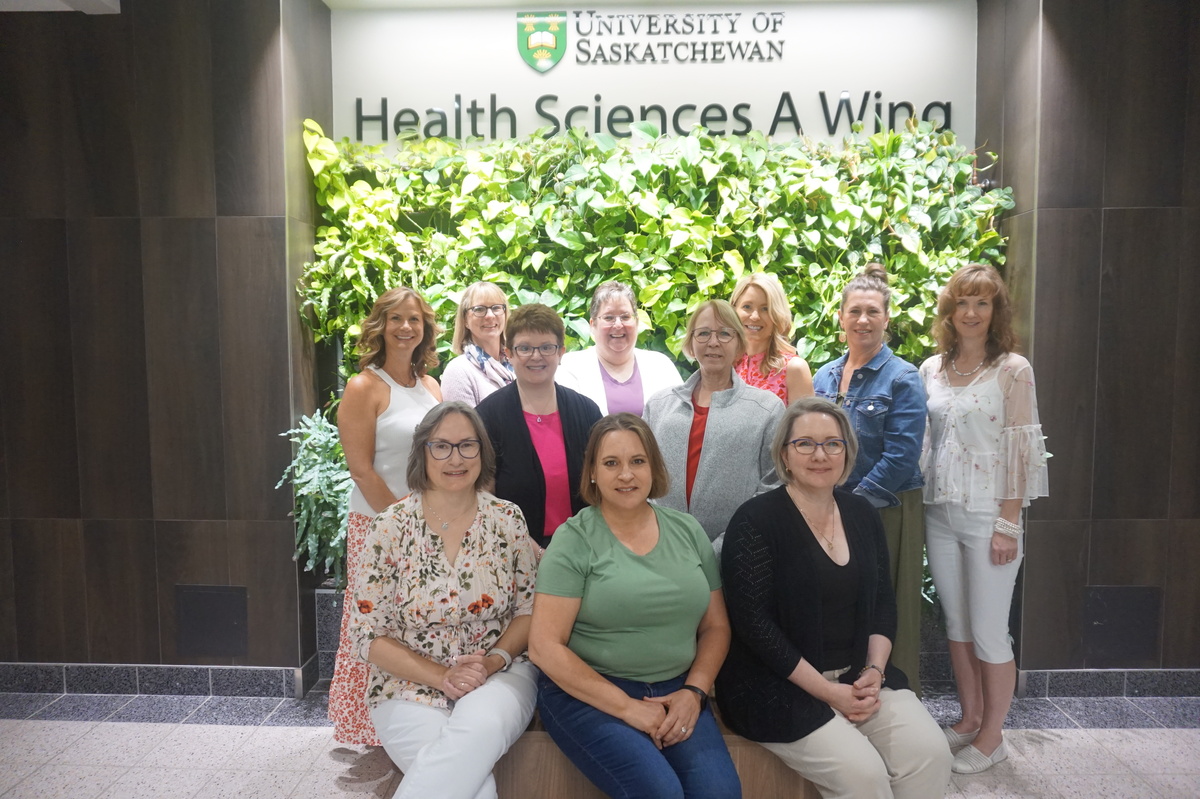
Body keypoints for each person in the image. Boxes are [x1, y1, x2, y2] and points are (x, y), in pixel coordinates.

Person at [717, 397, 952, 799]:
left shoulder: (862, 513)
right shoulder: (754, 520)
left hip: (860, 676)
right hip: (777, 687)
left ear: (847, 452)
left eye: (833, 444)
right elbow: (755, 627)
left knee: (932, 754)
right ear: (784, 455)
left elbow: (882, 604)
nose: (820, 454)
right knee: (863, 778)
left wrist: (875, 674)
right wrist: (828, 693)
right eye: (805, 443)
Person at [529, 413, 742, 799]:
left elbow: (716, 627)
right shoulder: (573, 539)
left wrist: (694, 692)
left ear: (653, 467)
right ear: (592, 472)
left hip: (678, 690)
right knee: (659, 793)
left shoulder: (688, 531)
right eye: (611, 463)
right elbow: (545, 647)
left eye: (637, 461)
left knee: (720, 794)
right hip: (588, 694)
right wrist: (629, 709)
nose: (625, 474)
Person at [345, 402, 540, 799]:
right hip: (406, 686)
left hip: (499, 674)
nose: (456, 458)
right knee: (476, 791)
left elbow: (530, 610)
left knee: (476, 736)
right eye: (442, 446)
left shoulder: (507, 520)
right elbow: (366, 635)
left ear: (482, 452)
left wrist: (490, 661)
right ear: (422, 452)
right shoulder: (390, 527)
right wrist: (442, 677)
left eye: (468, 445)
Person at [920, 264, 1049, 774]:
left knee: (991, 631)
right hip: (940, 512)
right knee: (957, 624)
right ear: (949, 310)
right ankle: (970, 717)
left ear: (996, 311)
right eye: (962, 302)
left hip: (989, 517)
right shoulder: (932, 367)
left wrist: (1008, 523)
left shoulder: (1013, 369)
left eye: (982, 303)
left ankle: (994, 737)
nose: (971, 313)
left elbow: (1021, 450)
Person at [329, 286, 442, 745]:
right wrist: (403, 526)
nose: (405, 327)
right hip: (378, 528)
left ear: (425, 328)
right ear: (380, 325)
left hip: (430, 525)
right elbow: (361, 469)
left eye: (414, 319)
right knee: (375, 625)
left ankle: (413, 717)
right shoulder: (364, 387)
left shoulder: (432, 386)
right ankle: (366, 725)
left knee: (417, 621)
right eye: (395, 318)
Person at [811, 264, 926, 697]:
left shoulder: (902, 377)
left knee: (887, 602)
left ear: (886, 318)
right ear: (840, 317)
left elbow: (901, 456)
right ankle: (847, 692)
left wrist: (853, 505)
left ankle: (896, 696)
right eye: (855, 311)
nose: (863, 319)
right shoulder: (823, 377)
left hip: (887, 508)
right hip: (831, 508)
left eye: (872, 312)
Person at [644, 299, 783, 543]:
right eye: (704, 333)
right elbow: (642, 472)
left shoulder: (767, 409)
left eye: (725, 333)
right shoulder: (659, 405)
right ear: (690, 342)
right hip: (661, 547)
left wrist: (730, 543)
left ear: (739, 343)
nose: (713, 342)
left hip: (736, 550)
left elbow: (774, 486)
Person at [476, 303, 602, 546]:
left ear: (561, 352)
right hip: (513, 549)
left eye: (546, 347)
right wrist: (533, 552)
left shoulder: (587, 412)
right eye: (524, 348)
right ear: (508, 353)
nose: (536, 356)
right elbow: (483, 498)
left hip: (586, 545)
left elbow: (603, 486)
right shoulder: (487, 416)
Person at [557, 280, 683, 416]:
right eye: (609, 317)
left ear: (636, 322)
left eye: (625, 316)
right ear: (593, 325)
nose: (618, 325)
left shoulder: (661, 366)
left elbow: (681, 418)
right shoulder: (571, 367)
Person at [730, 272, 813, 406]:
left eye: (765, 309)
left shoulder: (793, 369)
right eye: (747, 307)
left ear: (777, 314)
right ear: (733, 311)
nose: (755, 316)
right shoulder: (726, 365)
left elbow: (806, 426)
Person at [440, 281, 514, 406]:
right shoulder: (458, 372)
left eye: (496, 308)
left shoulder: (517, 364)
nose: (490, 315)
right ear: (465, 321)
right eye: (479, 309)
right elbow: (463, 425)